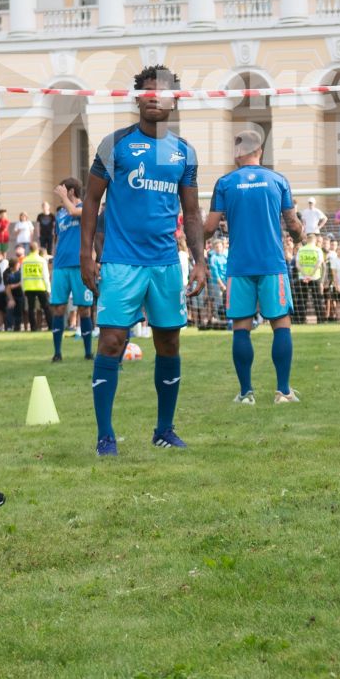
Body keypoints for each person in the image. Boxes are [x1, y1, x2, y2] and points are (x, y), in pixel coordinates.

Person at [82, 66, 206, 455]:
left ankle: (164, 430)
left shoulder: (184, 151)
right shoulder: (114, 144)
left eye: (163, 92)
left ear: (174, 99)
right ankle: (105, 436)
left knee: (168, 342)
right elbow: (90, 201)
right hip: (120, 261)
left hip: (166, 262)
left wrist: (200, 261)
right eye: (148, 91)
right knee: (112, 341)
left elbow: (192, 212)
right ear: (137, 97)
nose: (155, 97)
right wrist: (86, 255)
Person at [203, 129, 304, 405]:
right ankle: (283, 391)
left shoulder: (224, 183)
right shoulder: (277, 180)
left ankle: (246, 393)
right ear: (259, 151)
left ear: (237, 153)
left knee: (241, 327)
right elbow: (293, 224)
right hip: (272, 263)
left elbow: (210, 227)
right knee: (281, 323)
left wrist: (193, 240)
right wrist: (299, 237)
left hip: (239, 265)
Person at [49, 180, 93, 361]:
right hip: (61, 266)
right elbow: (57, 240)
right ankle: (57, 353)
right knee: (58, 308)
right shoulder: (59, 214)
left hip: (79, 265)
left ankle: (88, 352)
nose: (59, 194)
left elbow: (74, 211)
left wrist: (62, 196)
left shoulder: (86, 208)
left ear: (71, 191)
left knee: (84, 309)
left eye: (62, 190)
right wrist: (52, 263)